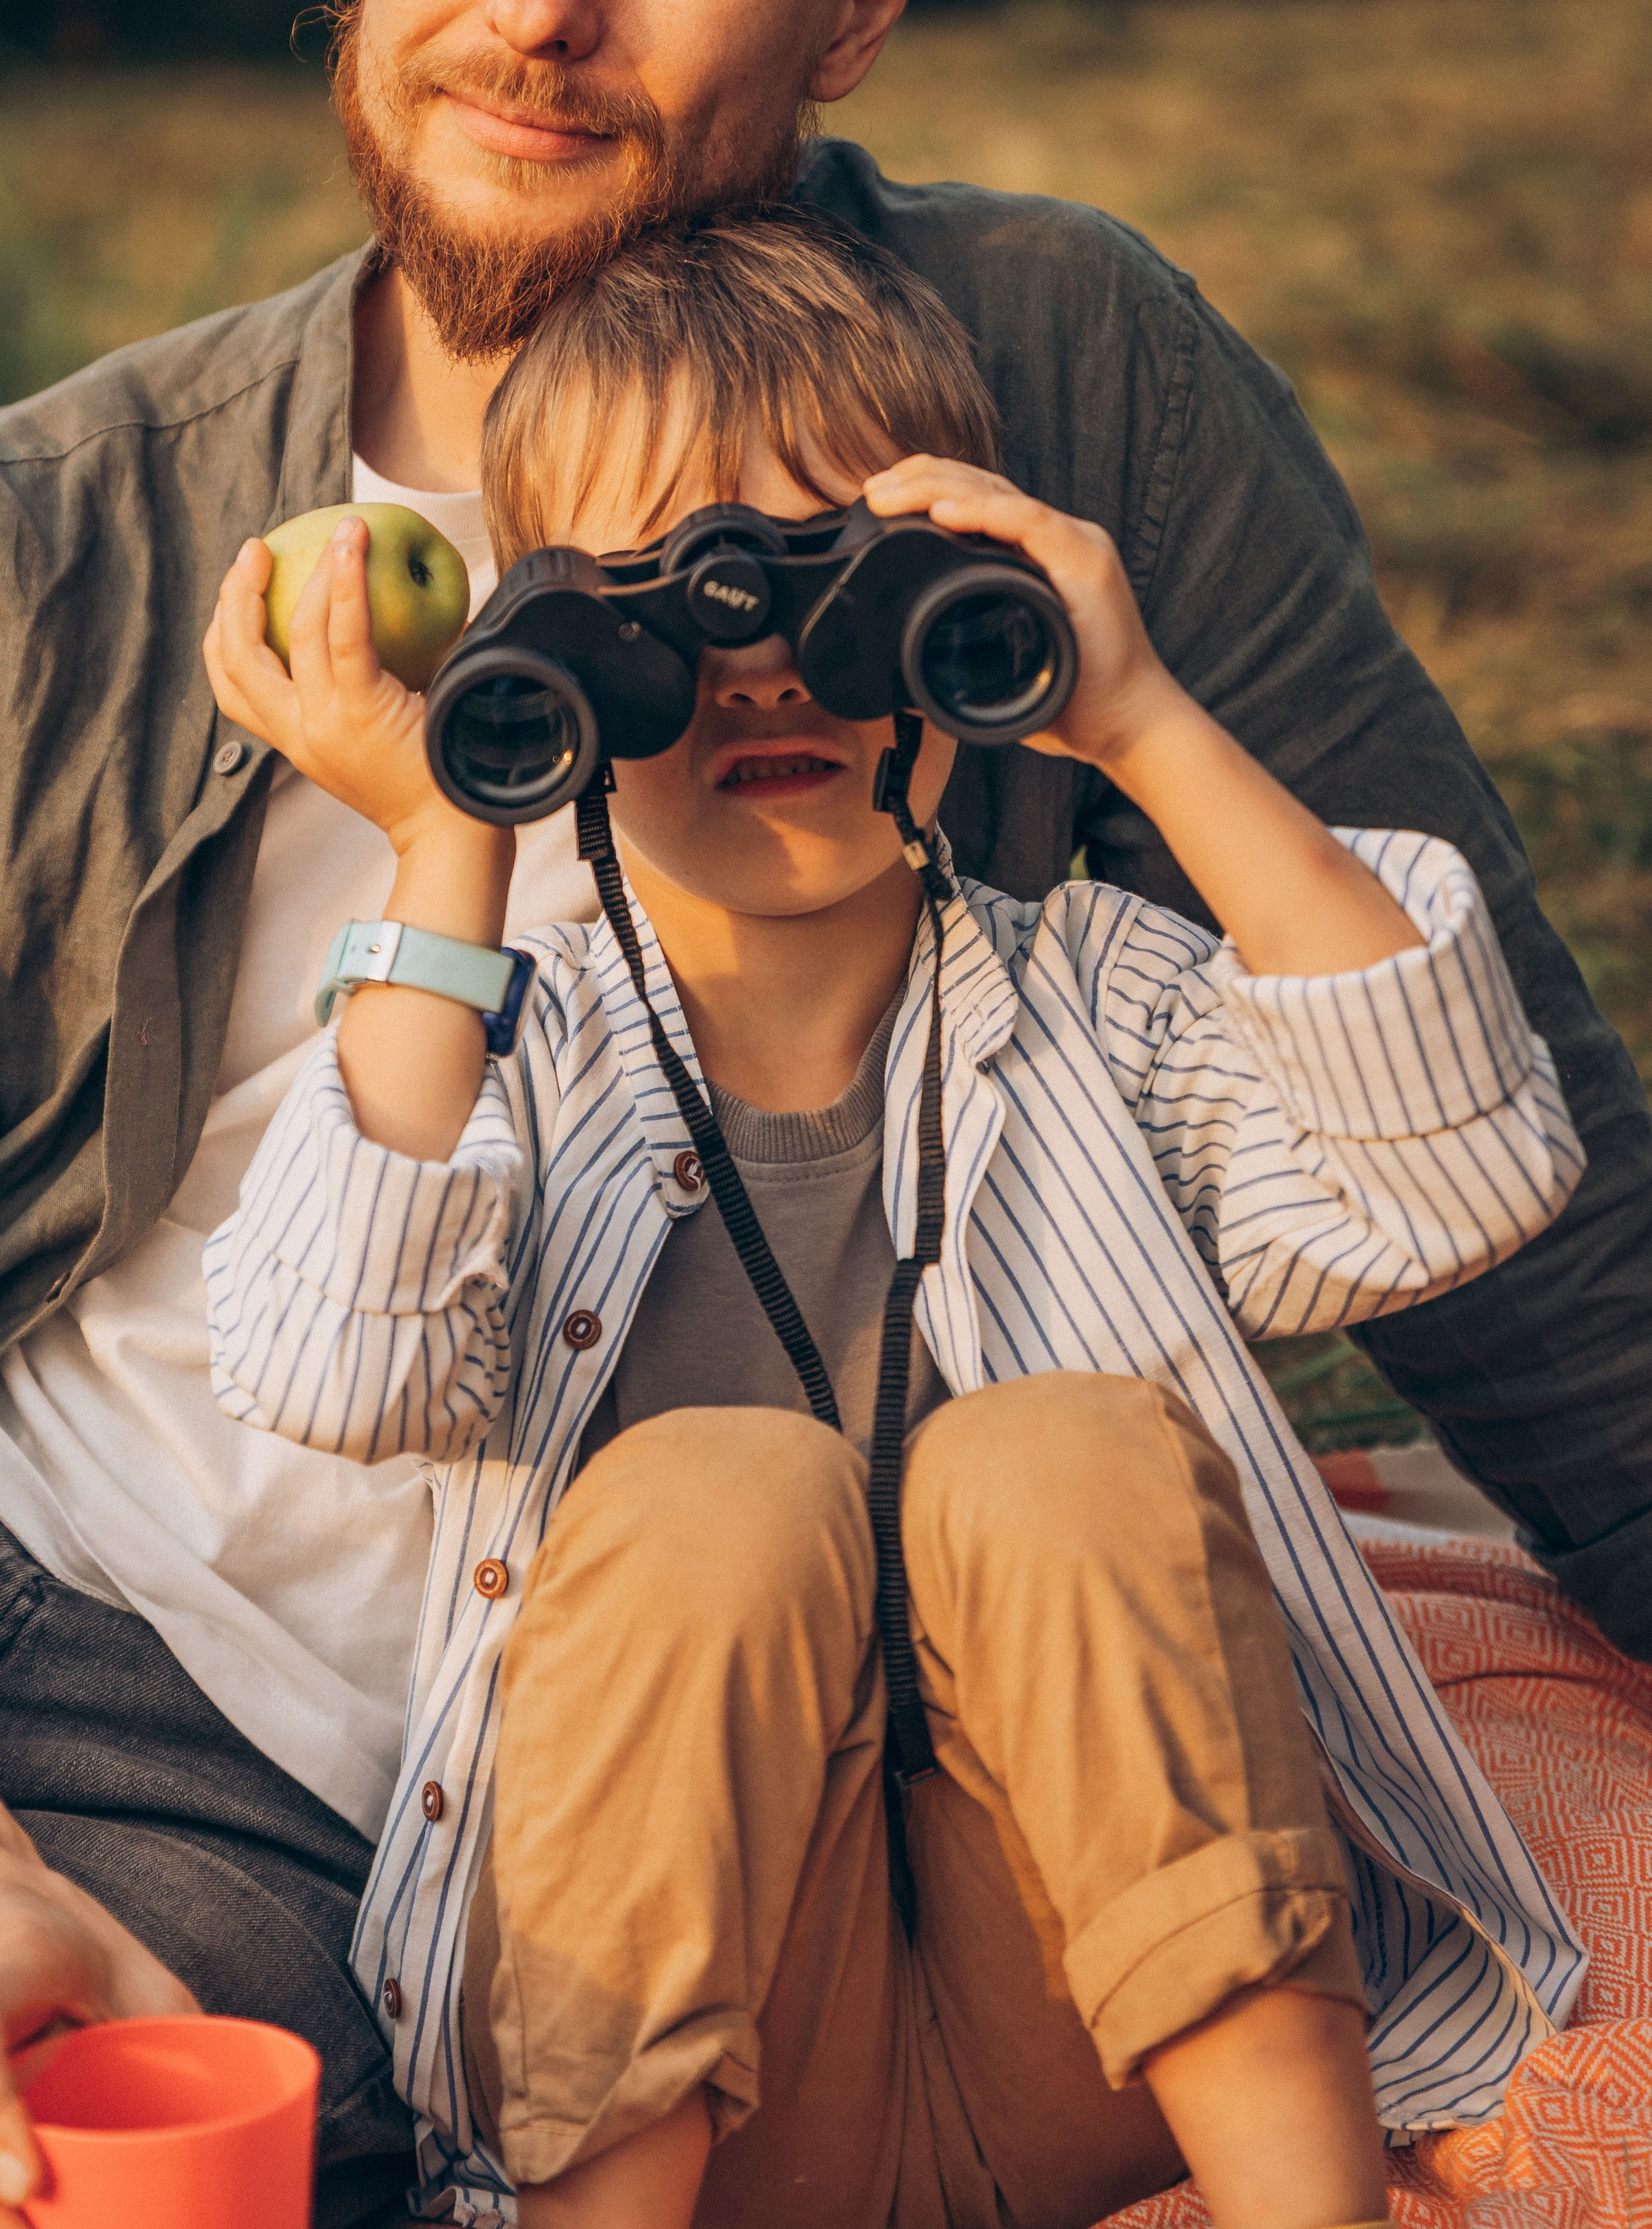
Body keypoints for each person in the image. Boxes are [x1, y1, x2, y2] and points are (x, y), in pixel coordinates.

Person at [0, 0, 1641, 2229]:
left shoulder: (1038, 388)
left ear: (857, 4)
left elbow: (1526, 1207)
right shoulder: (5, 538)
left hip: (322, 1780)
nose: (536, 0)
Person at [198, 207, 1585, 2229]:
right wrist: (442, 833)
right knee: (711, 1503)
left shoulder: (1090, 1000)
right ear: (554, 651)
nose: (761, 657)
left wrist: (1140, 721)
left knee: (1050, 1456)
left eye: (841, 581)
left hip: (1115, 2025)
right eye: (666, 607)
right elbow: (332, 1359)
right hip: (708, 2093)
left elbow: (1451, 1167)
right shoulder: (513, 1061)